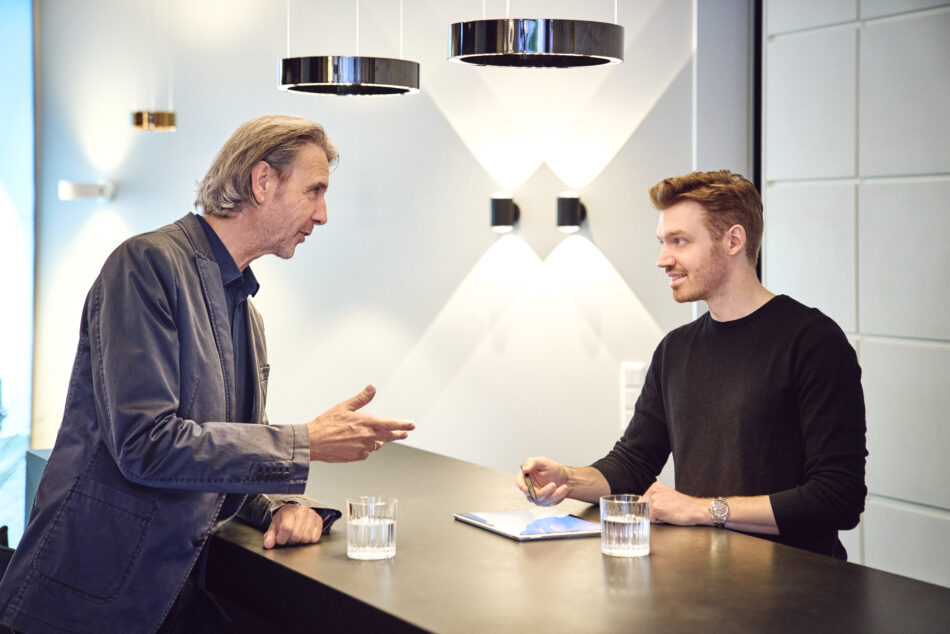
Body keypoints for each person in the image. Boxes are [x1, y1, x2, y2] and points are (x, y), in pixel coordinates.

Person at [0, 115, 415, 633]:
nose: (323, 214)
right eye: (314, 191)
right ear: (263, 182)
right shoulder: (146, 265)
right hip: (89, 602)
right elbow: (146, 444)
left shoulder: (246, 310)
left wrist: (283, 504)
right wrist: (304, 442)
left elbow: (222, 452)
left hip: (174, 594)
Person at [518, 170, 867, 559]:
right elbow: (632, 463)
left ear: (733, 240)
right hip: (702, 582)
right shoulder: (676, 349)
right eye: (663, 242)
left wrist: (702, 509)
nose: (663, 259)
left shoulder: (813, 342)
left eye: (679, 241)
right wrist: (569, 478)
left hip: (798, 590)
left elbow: (838, 498)